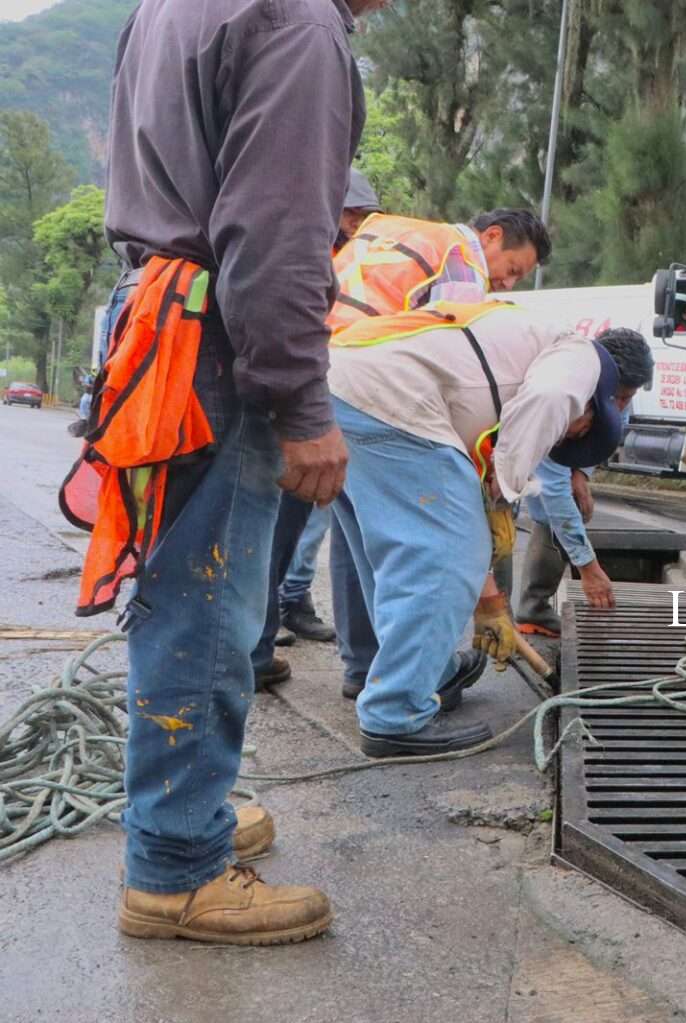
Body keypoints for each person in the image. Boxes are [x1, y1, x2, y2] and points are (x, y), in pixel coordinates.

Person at [98, 0, 376, 946]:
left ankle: (184, 812)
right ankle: (177, 867)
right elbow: (276, 233)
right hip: (211, 341)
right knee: (210, 611)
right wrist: (303, 406)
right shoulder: (298, 27)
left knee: (181, 594)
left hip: (153, 317)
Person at [325, 304, 654, 757]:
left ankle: (429, 674)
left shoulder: (525, 363)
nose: (559, 440)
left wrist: (490, 604)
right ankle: (394, 713)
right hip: (390, 398)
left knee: (391, 556)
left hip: (347, 385)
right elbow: (549, 403)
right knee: (447, 554)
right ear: (596, 409)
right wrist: (506, 488)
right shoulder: (583, 364)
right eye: (569, 437)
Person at [264, 168, 386, 654]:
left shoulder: (358, 261)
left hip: (330, 406)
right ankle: (257, 637)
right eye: (350, 213)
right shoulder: (299, 249)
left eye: (363, 215)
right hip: (297, 409)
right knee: (279, 523)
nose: (356, 224)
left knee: (318, 523)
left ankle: (289, 605)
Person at [515, 330, 652, 637]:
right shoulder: (561, 397)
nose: (620, 406)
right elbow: (552, 489)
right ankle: (499, 614)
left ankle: (532, 610)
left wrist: (581, 472)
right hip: (495, 440)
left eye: (628, 398)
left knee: (559, 509)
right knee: (509, 515)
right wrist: (588, 569)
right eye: (617, 397)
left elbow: (605, 434)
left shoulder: (613, 395)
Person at [326, 207, 550, 333]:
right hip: (355, 352)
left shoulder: (389, 225)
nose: (508, 285)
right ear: (492, 236)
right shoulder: (464, 262)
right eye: (512, 270)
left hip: (307, 338)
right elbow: (448, 347)